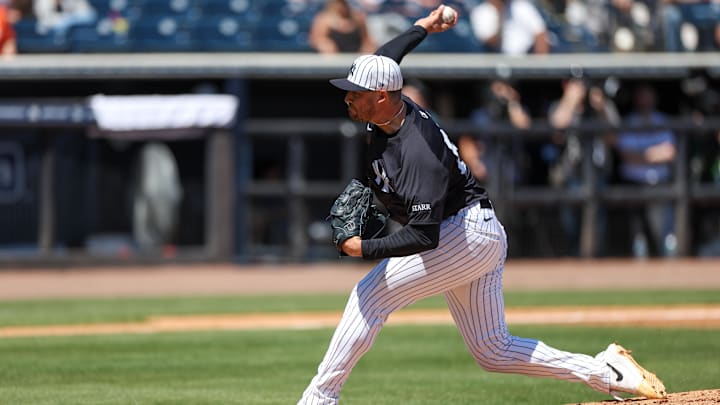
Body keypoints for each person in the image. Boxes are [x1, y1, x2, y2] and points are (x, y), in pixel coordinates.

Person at [297, 5, 666, 404]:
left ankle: (319, 398)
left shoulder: (419, 153)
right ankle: (608, 373)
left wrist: (363, 248)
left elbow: (423, 235)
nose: (347, 98)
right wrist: (423, 26)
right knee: (493, 350)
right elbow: (389, 55)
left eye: (356, 93)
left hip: (462, 235)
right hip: (477, 232)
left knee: (371, 295)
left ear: (382, 96)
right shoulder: (386, 108)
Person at [545, 72, 620, 256]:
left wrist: (600, 107)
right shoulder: (561, 105)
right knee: (570, 228)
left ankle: (594, 265)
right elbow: (555, 133)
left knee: (596, 227)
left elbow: (614, 139)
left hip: (598, 174)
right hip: (570, 176)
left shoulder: (602, 106)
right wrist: (571, 100)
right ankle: (571, 264)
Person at [614, 83, 678, 258]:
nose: (645, 100)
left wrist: (641, 156)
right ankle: (639, 271)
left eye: (648, 95)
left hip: (659, 183)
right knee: (637, 232)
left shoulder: (662, 120)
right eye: (642, 96)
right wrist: (653, 154)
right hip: (634, 183)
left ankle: (669, 268)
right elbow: (627, 155)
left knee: (662, 230)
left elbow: (670, 152)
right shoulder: (629, 122)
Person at [469, 0, 549, 55]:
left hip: (528, 56)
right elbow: (490, 43)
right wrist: (500, 14)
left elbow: (540, 34)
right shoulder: (480, 11)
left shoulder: (521, 5)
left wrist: (538, 66)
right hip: (499, 62)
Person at [309, 0, 375, 54]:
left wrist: (368, 49)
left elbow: (366, 40)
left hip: (355, 57)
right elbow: (316, 39)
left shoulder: (358, 18)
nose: (342, 6)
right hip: (333, 59)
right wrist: (323, 44)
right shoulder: (323, 19)